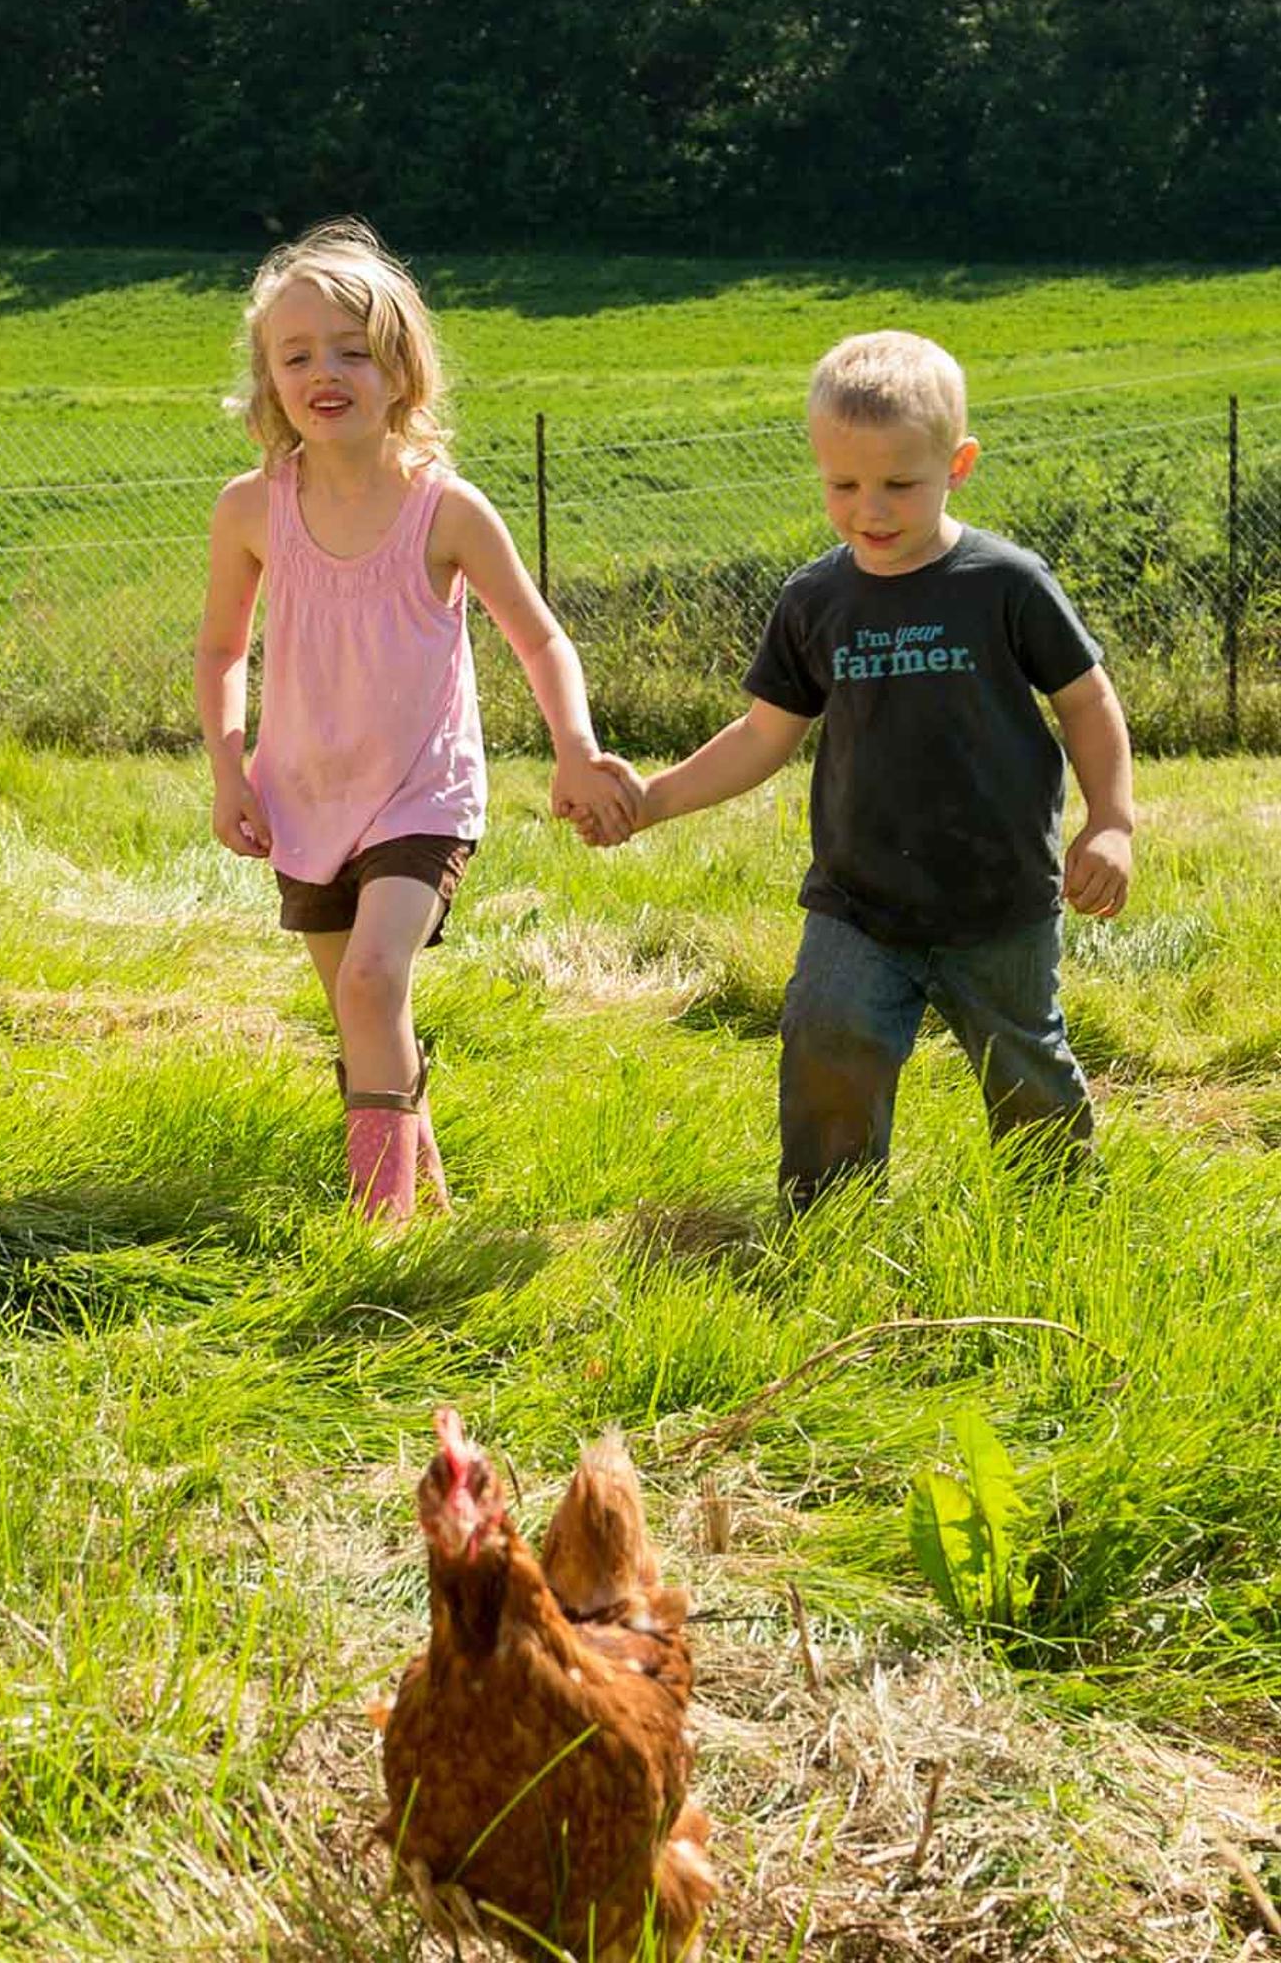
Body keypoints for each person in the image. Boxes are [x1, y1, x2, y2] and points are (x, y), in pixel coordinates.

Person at [591, 329, 1134, 1204]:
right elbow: (763, 736)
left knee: (1025, 1067)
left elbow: (1087, 703)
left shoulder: (1006, 584)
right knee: (828, 1041)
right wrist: (653, 801)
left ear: (957, 465)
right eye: (843, 485)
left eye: (899, 485)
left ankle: (1059, 1214)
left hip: (998, 900)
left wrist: (1110, 820)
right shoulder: (815, 601)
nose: (869, 510)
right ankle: (829, 1220)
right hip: (859, 900)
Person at [196, 221, 636, 1225]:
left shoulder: (448, 511)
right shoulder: (249, 510)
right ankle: (423, 1206)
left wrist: (573, 748)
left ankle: (378, 1226)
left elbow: (541, 638)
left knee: (373, 974)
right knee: (361, 1016)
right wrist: (230, 770)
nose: (326, 371)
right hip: (302, 798)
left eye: (354, 350)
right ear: (269, 379)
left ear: (402, 371)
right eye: (297, 353)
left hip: (420, 793)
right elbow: (221, 651)